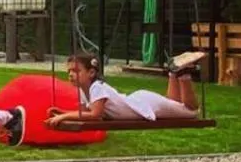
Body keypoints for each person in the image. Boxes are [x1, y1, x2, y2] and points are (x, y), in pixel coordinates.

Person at [46, 50, 203, 128]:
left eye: (76, 71)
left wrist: (62, 117)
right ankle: (173, 72)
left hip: (145, 104)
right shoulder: (83, 90)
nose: (71, 75)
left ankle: (183, 75)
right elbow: (83, 115)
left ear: (91, 73)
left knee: (191, 112)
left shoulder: (97, 88)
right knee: (174, 104)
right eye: (69, 72)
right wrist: (63, 113)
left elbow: (95, 115)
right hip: (138, 100)